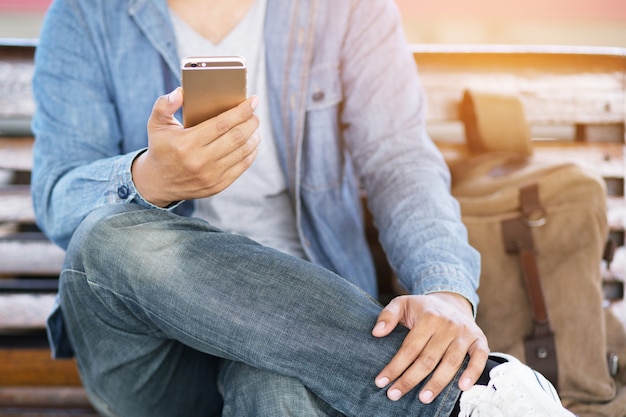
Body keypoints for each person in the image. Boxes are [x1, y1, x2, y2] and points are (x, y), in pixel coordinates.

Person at [31, 0, 577, 416]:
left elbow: (399, 161)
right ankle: (472, 400)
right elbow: (57, 196)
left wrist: (446, 294)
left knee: (273, 384)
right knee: (106, 238)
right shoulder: (84, 15)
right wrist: (150, 179)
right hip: (157, 355)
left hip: (311, 330)